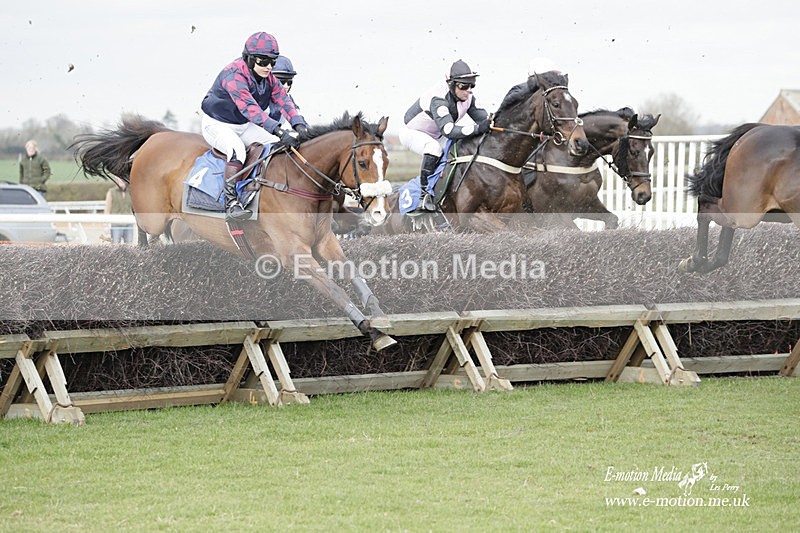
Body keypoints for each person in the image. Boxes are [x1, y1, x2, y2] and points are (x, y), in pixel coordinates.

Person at [200, 32, 309, 221]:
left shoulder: (269, 78)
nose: (268, 67)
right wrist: (279, 129)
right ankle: (231, 202)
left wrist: (300, 126)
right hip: (217, 123)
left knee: (277, 145)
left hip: (243, 125)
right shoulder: (233, 75)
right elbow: (250, 110)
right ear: (249, 58)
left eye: (272, 62)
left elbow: (284, 101)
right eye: (263, 61)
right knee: (237, 151)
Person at [399, 59, 491, 211]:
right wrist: (478, 128)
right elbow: (449, 131)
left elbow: (485, 120)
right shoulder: (438, 99)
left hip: (436, 133)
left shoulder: (468, 97)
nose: (468, 90)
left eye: (472, 84)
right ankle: (424, 195)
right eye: (463, 85)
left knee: (459, 150)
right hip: (413, 132)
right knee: (433, 148)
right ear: (451, 84)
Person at [269, 55, 299, 125]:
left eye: (289, 82)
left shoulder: (289, 100)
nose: (286, 86)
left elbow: (298, 120)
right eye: (281, 82)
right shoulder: (257, 99)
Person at [105, 176, 134, 244]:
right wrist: (106, 225)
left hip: (128, 223)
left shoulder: (131, 192)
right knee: (115, 245)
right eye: (119, 179)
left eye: (122, 179)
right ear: (116, 180)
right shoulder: (111, 192)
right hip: (116, 224)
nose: (121, 180)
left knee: (129, 245)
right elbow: (107, 209)